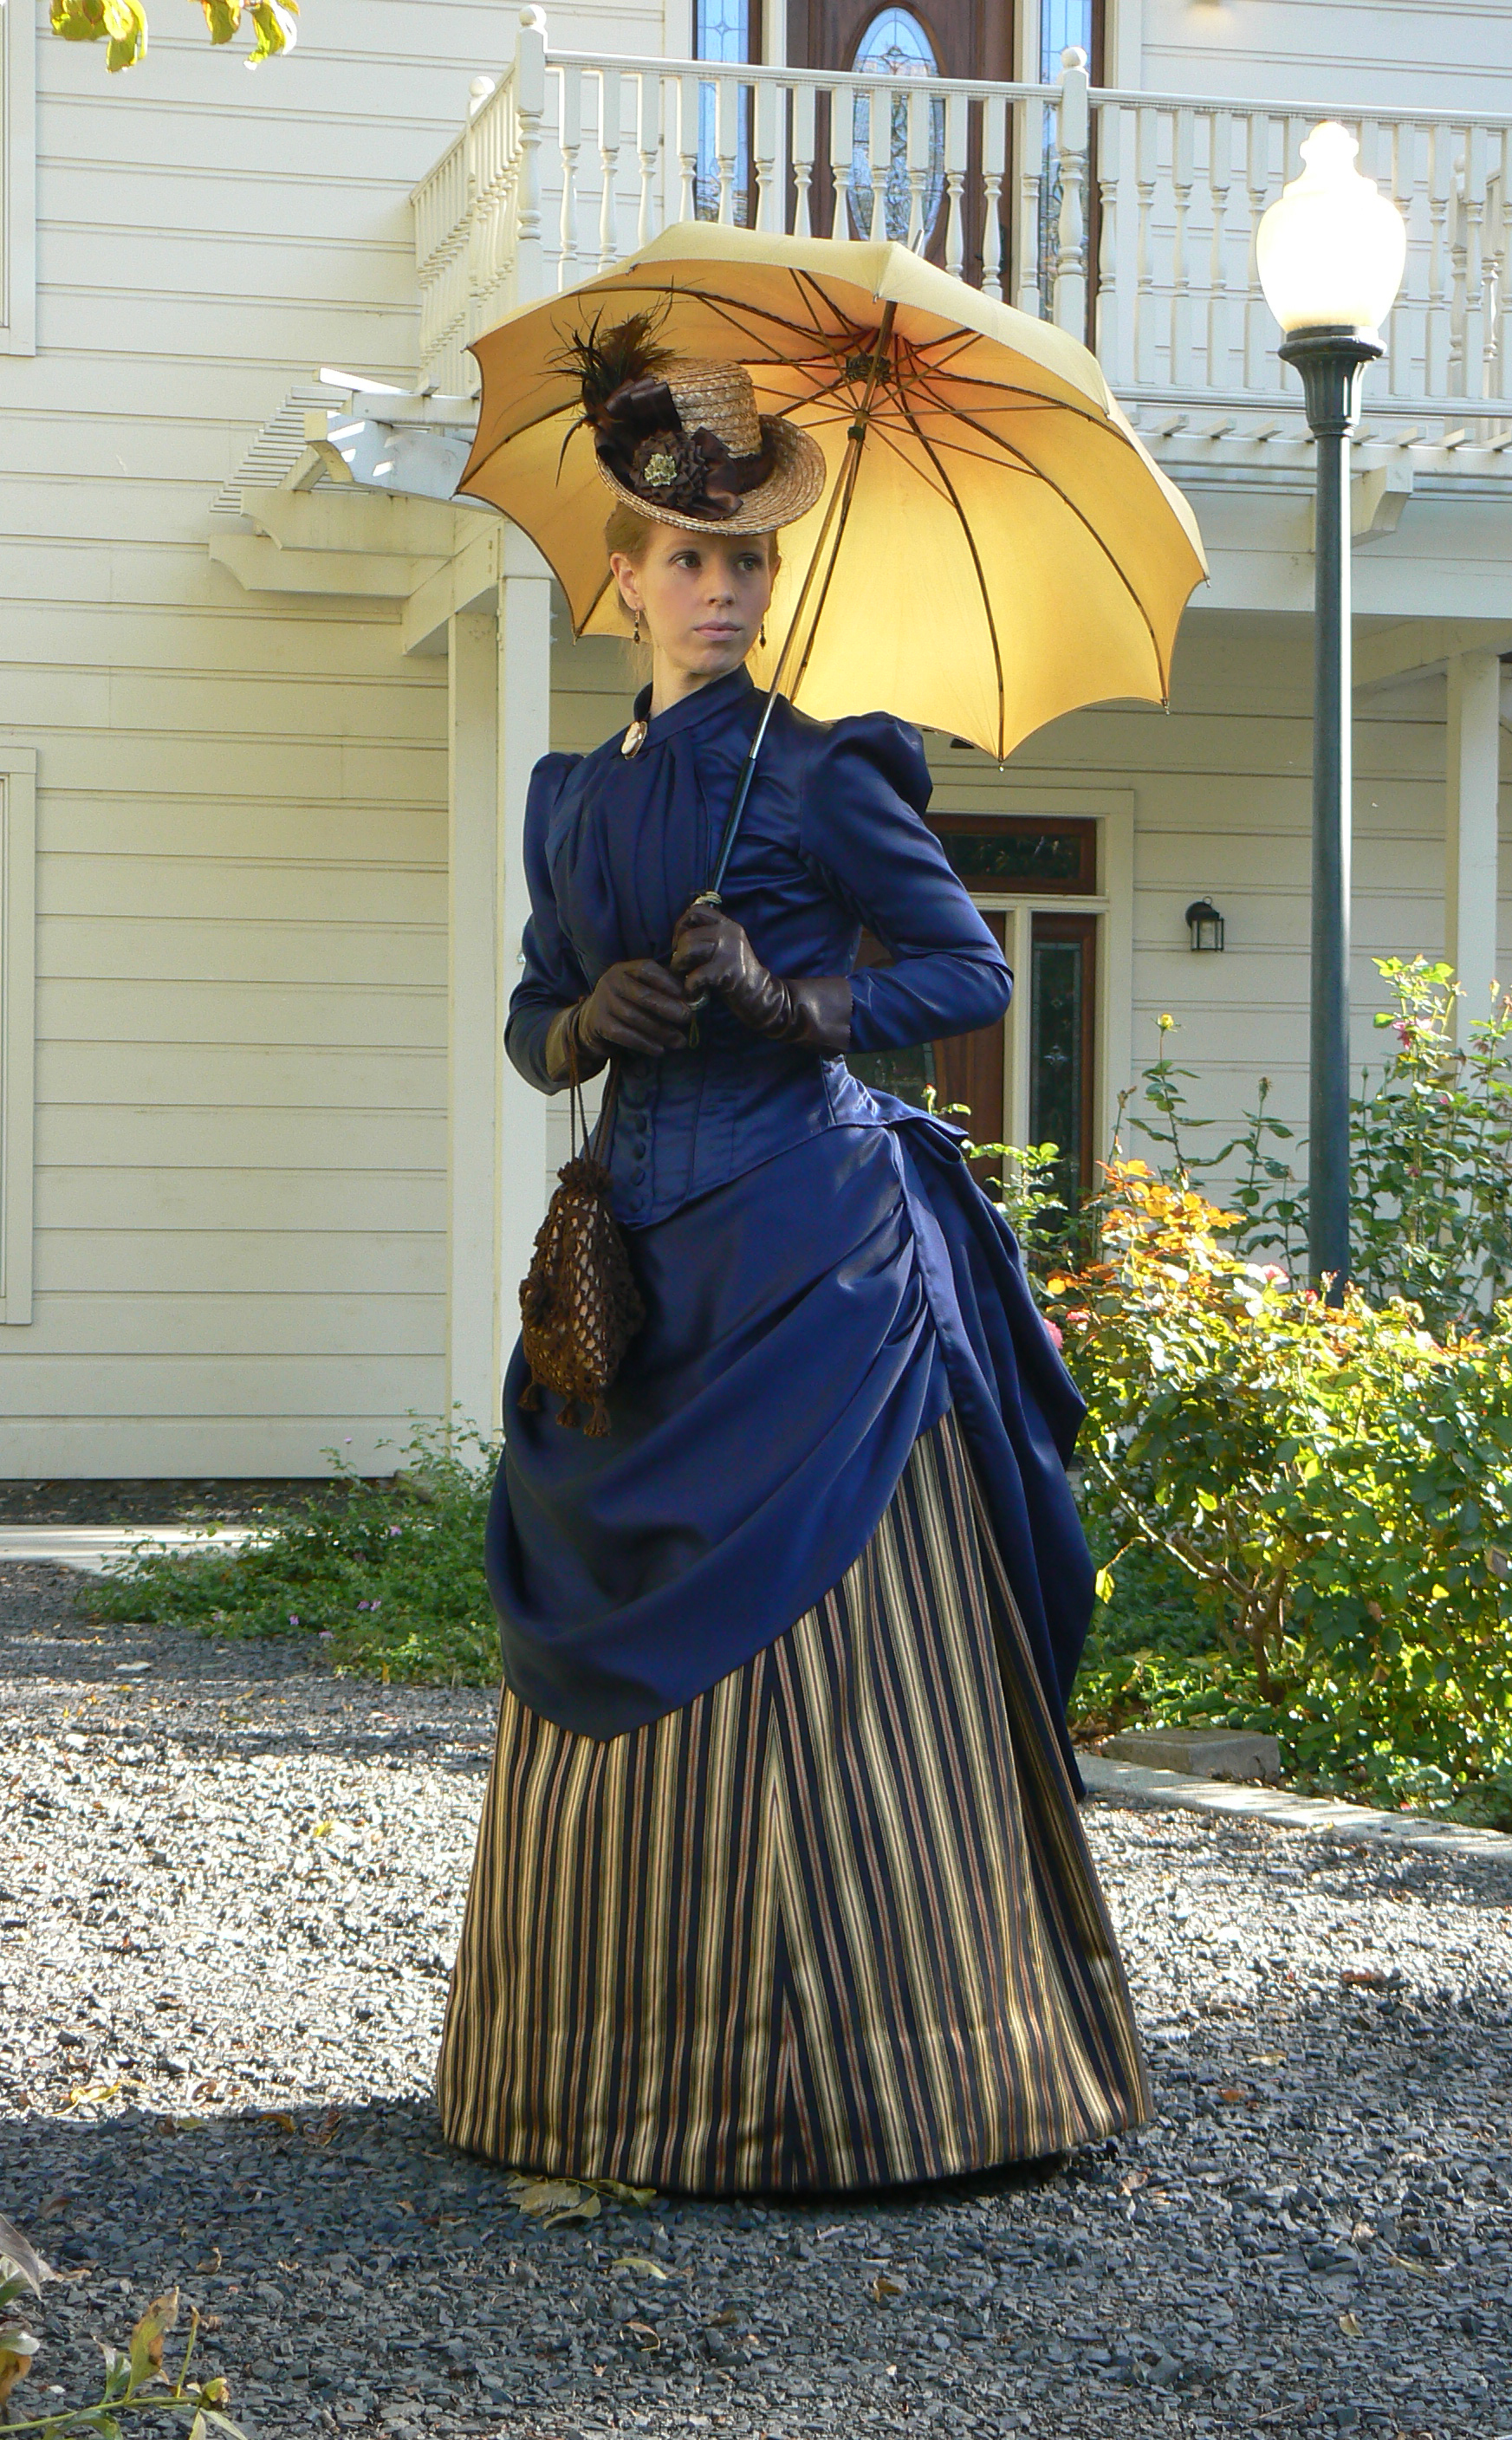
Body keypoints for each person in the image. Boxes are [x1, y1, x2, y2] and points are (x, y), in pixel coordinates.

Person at [438, 331, 1147, 2197]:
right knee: (617, 1611)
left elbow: (969, 974)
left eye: (747, 558)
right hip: (640, 1281)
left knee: (838, 1635)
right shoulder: (569, 800)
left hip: (816, 1269)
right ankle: (596, 2077)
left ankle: (899, 2079)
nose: (722, 586)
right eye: (688, 553)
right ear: (625, 574)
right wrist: (586, 1017)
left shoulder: (827, 775)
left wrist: (793, 997)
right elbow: (522, 1023)